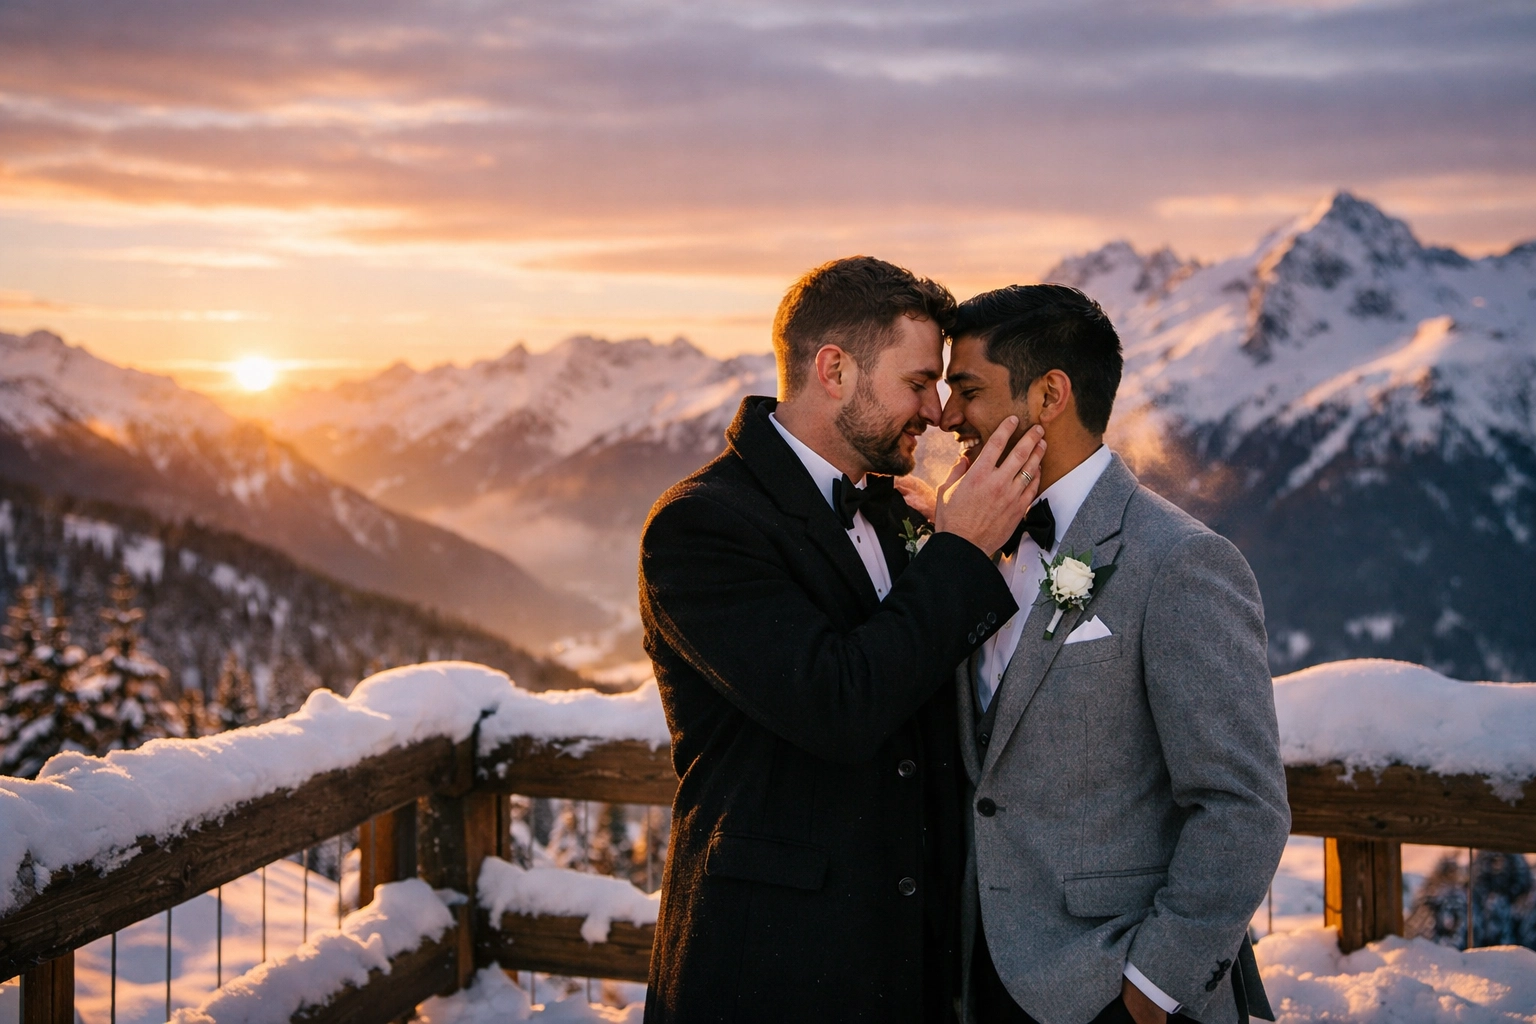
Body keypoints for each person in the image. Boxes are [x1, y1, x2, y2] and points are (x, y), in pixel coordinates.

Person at [638, 256, 1047, 1023]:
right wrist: (958, 553)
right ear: (834, 369)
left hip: (905, 965)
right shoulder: (702, 525)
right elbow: (838, 703)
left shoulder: (895, 509)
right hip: (766, 970)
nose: (936, 411)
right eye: (918, 382)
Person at [938, 285, 1289, 1024]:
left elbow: (1242, 807)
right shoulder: (972, 543)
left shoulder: (1181, 562)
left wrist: (1150, 990)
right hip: (976, 980)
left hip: (1113, 989)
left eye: (966, 390)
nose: (946, 417)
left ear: (1049, 395)